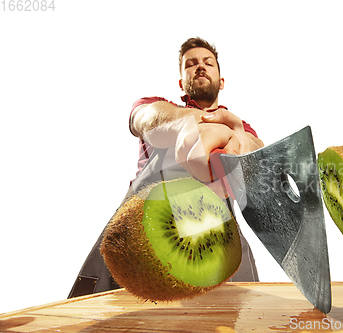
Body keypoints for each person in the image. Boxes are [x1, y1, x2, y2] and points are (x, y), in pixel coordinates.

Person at [68, 37, 264, 298]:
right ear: (182, 82)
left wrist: (242, 147)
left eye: (208, 63)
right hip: (136, 241)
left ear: (222, 80)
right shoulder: (158, 107)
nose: (200, 67)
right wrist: (190, 123)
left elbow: (257, 150)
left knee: (242, 311)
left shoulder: (239, 126)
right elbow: (144, 118)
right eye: (191, 64)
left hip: (215, 243)